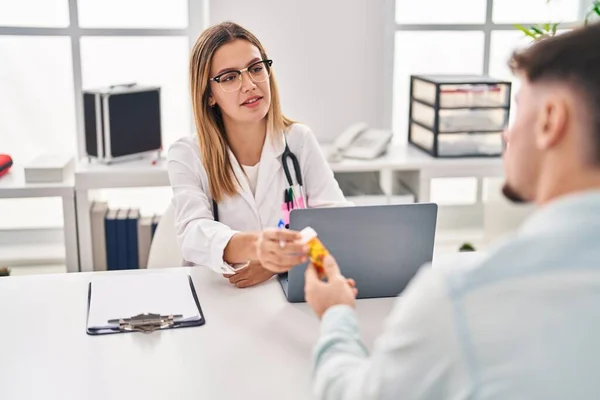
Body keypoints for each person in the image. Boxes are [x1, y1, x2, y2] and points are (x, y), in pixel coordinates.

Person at [303, 23, 600, 399]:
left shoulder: (464, 298)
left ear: (550, 120)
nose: (505, 134)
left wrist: (335, 313)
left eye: (518, 108)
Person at [167, 22, 348, 288]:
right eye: (229, 77)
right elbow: (193, 234)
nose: (249, 84)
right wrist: (258, 247)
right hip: (220, 296)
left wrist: (274, 263)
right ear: (209, 96)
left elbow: (338, 223)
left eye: (255, 68)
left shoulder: (299, 140)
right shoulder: (187, 154)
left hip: (287, 296)